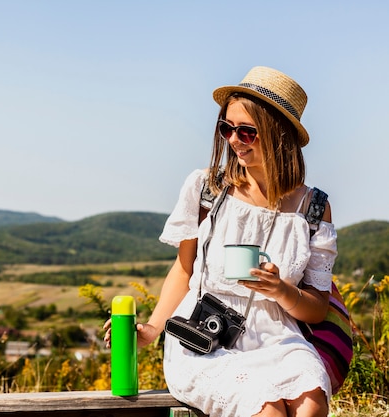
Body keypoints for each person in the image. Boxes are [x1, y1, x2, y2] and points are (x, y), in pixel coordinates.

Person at [104, 66, 337, 417]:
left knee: (311, 404)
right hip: (203, 338)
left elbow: (318, 307)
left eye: (247, 132)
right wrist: (152, 330)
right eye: (226, 128)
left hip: (278, 338)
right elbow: (184, 270)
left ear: (280, 135)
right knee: (267, 409)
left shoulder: (314, 208)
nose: (233, 140)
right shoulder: (207, 189)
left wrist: (280, 290)